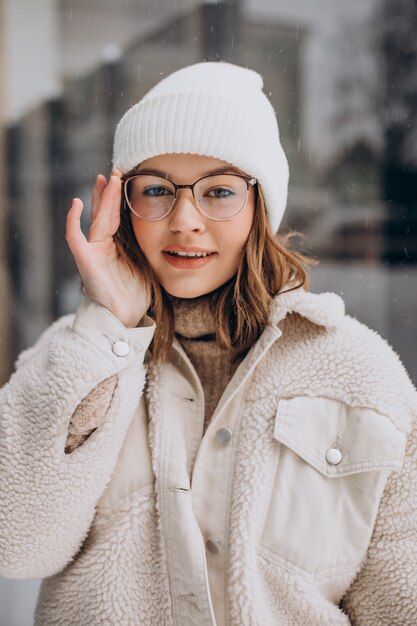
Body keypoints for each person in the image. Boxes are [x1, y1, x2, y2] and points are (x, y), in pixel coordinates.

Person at [0, 61, 416, 626]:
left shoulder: (360, 372)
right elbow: (16, 543)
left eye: (219, 191)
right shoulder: (75, 355)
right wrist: (108, 329)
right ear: (123, 205)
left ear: (260, 207)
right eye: (156, 191)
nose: (185, 220)